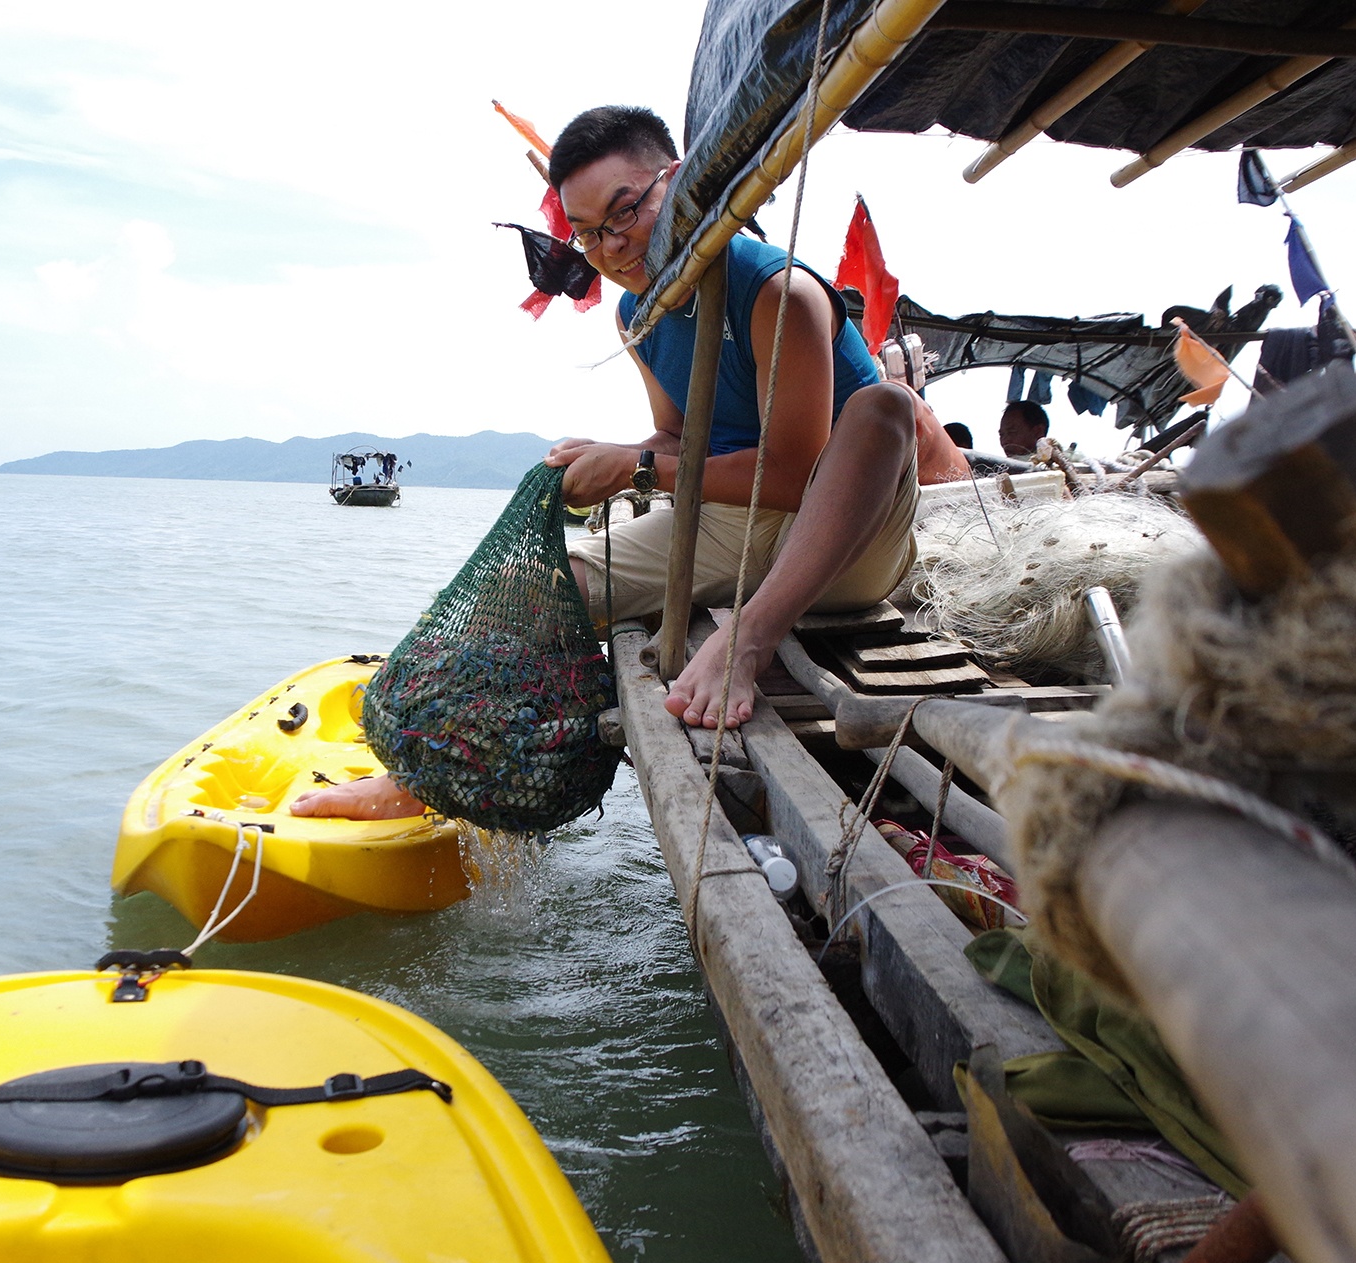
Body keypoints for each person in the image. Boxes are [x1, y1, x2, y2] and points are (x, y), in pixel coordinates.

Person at [294, 104, 921, 819]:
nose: (611, 246)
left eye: (625, 212)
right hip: (730, 523)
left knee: (885, 407)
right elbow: (677, 438)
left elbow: (791, 478)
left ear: (676, 182)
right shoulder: (637, 315)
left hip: (843, 541)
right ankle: (422, 782)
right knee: (524, 595)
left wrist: (634, 470)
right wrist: (610, 454)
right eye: (587, 232)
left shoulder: (777, 291)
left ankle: (747, 640)